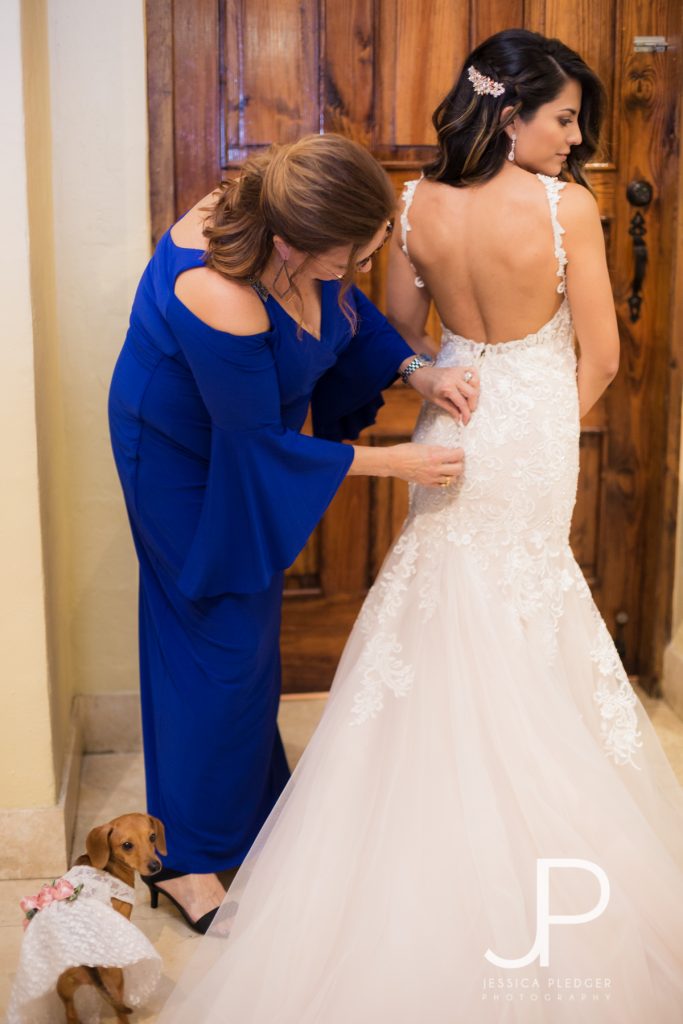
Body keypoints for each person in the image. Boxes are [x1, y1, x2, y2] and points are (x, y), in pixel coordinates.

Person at [155, 30, 683, 1022]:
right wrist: (537, 437)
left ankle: (420, 825)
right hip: (524, 430)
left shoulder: (410, 205)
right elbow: (602, 359)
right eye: (563, 118)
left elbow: (392, 327)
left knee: (435, 604)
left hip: (451, 412)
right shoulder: (566, 208)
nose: (574, 140)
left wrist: (445, 382)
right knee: (523, 608)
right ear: (507, 113)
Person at [108, 133, 479, 932]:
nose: (364, 265)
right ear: (288, 244)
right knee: (214, 633)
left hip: (242, 428)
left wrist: (418, 370)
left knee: (242, 640)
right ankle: (187, 862)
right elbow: (258, 448)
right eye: (350, 253)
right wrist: (395, 464)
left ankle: (240, 810)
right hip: (182, 453)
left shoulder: (294, 211)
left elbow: (346, 309)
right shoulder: (220, 292)